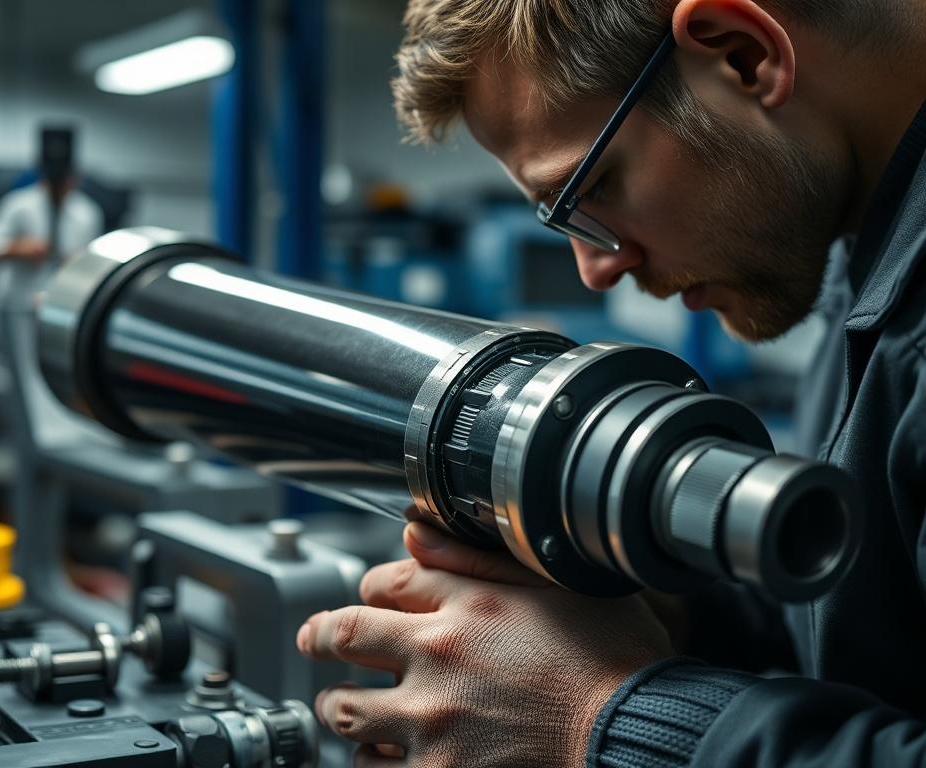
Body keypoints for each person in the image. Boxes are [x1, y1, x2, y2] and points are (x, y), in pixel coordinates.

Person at [296, 0, 926, 766]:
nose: (597, 267)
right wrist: (666, 605)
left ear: (742, 57)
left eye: (589, 190)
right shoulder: (867, 255)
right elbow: (871, 641)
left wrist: (600, 717)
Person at [0, 126, 103, 323]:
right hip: (16, 305)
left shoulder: (87, 212)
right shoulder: (18, 205)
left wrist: (78, 262)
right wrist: (15, 248)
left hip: (63, 305)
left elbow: (94, 262)